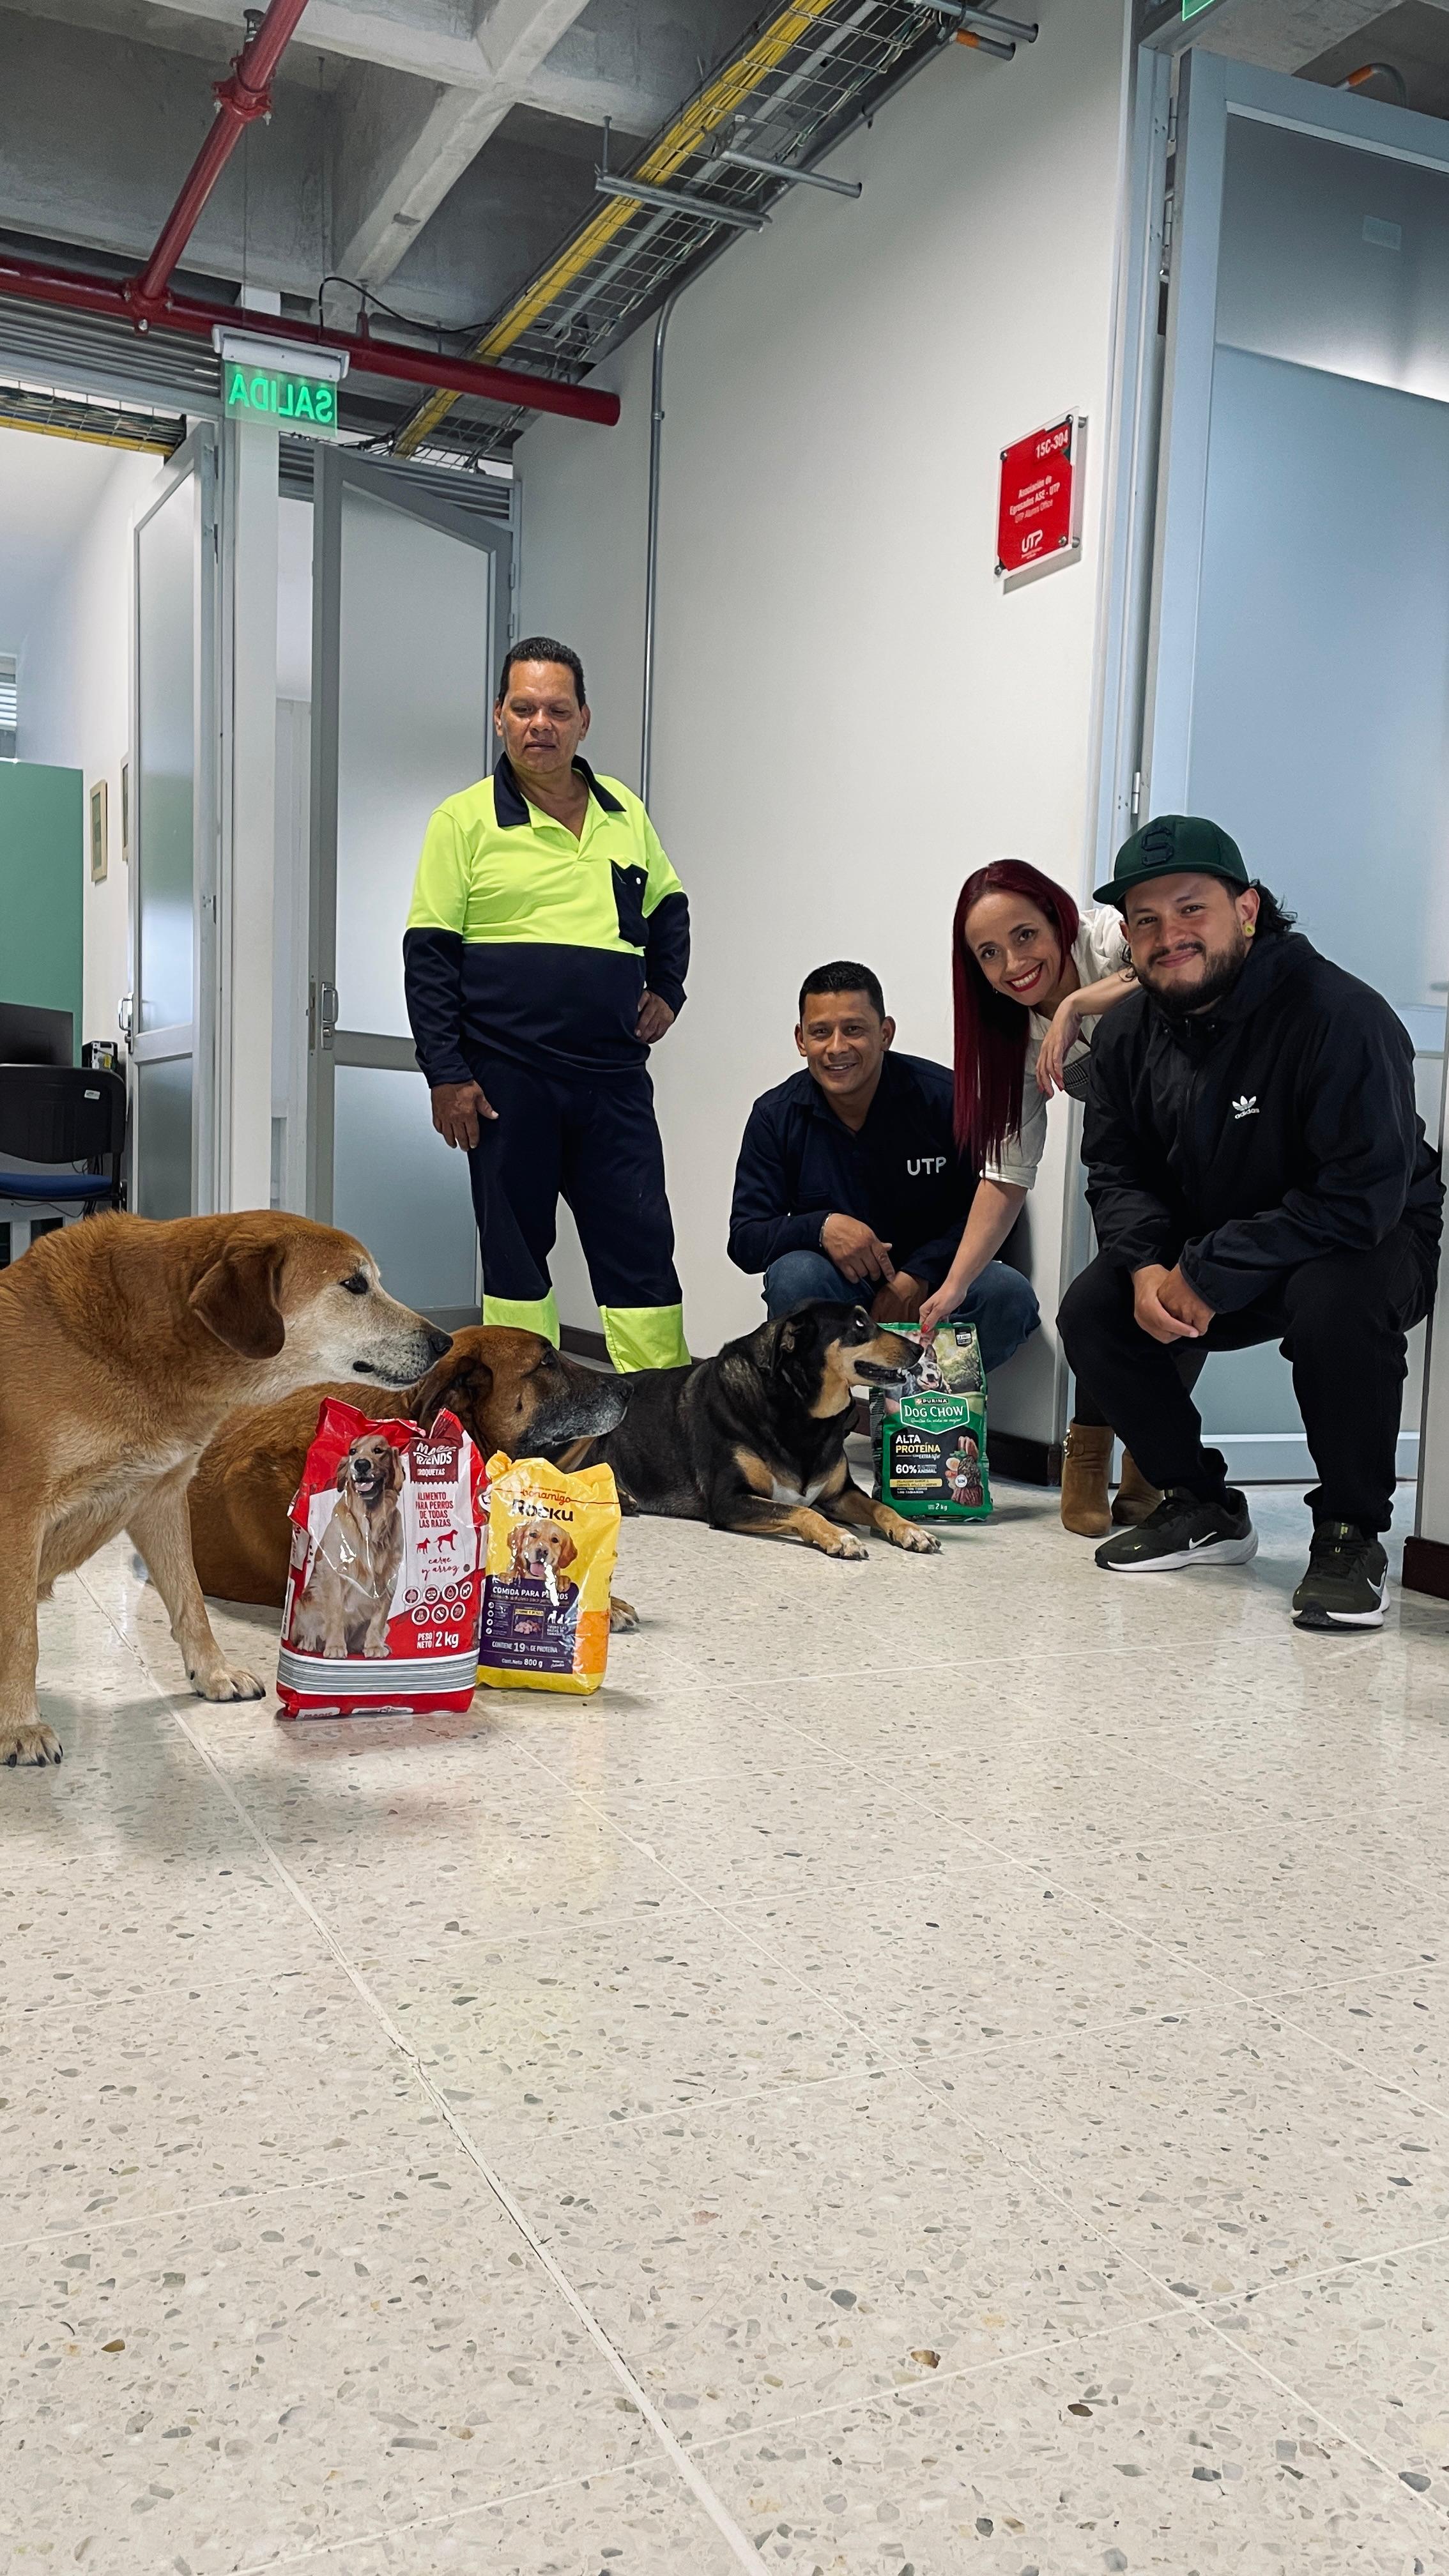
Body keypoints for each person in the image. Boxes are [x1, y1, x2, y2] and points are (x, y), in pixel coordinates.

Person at [1057, 813, 1443, 1629]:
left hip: (1364, 1237)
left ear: (1248, 909)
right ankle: (1200, 1503)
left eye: (1191, 909)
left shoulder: (1342, 1016)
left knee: (1337, 1300)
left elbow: (1361, 1196)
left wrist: (1208, 1270)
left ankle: (1349, 1532)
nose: (1171, 936)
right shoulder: (1127, 1030)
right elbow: (1117, 1169)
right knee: (1092, 1311)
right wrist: (1145, 1265)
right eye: (1147, 921)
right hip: (1216, 1236)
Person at [403, 637, 690, 1374]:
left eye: (558, 710)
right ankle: (524, 1416)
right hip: (507, 1080)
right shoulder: (462, 822)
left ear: (583, 720)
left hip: (613, 1080)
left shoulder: (624, 811)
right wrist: (445, 1072)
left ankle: (663, 1413)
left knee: (641, 1247)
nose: (542, 724)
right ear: (498, 717)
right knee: (517, 1260)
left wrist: (669, 988)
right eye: (524, 708)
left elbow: (670, 908)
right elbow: (429, 956)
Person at [916, 859, 1147, 1536]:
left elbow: (1168, 967)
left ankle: (1151, 1467)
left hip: (1199, 1142)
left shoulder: (1107, 941)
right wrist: (954, 1287)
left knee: (1178, 1312)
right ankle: (1087, 1456)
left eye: (1024, 936)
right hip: (1127, 1166)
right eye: (988, 954)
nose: (1013, 964)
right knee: (1111, 1307)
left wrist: (1081, 1002)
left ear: (1058, 917)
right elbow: (1005, 1174)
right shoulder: (1009, 1035)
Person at [727, 961, 1039, 1374]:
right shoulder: (774, 1116)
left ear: (885, 1033)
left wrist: (918, 1275)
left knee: (1008, 1293)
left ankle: (922, 1412)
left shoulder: (947, 1101)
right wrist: (821, 1227)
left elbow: (996, 1213)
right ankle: (820, 1419)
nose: (837, 1047)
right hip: (838, 1290)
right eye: (821, 1032)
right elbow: (745, 1240)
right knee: (793, 1275)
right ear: (802, 1040)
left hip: (937, 1284)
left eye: (854, 1029)